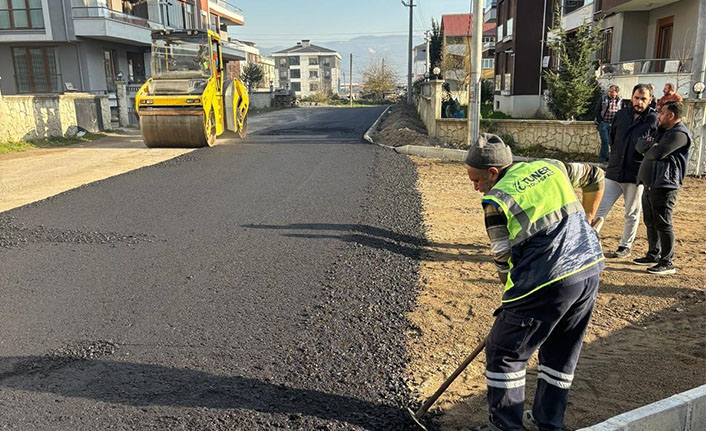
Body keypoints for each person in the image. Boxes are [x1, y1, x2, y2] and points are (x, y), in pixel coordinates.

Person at [465, 134, 605, 431]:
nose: (475, 187)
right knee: (560, 352)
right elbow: (596, 175)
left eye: (476, 180)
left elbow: (503, 261)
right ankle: (547, 423)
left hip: (548, 281)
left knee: (505, 351)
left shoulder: (496, 200)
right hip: (588, 270)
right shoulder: (552, 167)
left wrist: (511, 305)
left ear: (493, 172)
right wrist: (590, 218)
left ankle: (505, 426)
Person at [594, 83, 658, 258]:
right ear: (632, 97)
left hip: (635, 174)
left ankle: (625, 246)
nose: (639, 102)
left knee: (631, 213)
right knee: (600, 209)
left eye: (643, 99)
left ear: (650, 100)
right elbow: (613, 139)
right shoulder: (621, 115)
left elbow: (654, 147)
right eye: (636, 98)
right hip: (614, 171)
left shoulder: (653, 119)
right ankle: (591, 241)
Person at [634, 101, 691, 275]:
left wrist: (652, 147)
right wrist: (652, 145)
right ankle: (653, 254)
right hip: (651, 183)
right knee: (650, 221)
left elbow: (656, 154)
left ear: (671, 116)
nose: (658, 116)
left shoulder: (679, 134)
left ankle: (667, 262)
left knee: (663, 223)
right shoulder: (661, 131)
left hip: (665, 184)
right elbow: (639, 146)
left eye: (661, 113)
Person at [594, 85, 622, 163]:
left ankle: (601, 158)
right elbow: (597, 110)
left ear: (616, 92)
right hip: (603, 123)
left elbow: (622, 111)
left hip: (613, 124)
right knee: (605, 140)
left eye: (612, 91)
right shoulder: (603, 99)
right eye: (609, 91)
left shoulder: (620, 100)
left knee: (610, 142)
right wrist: (601, 121)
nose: (610, 93)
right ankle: (608, 157)